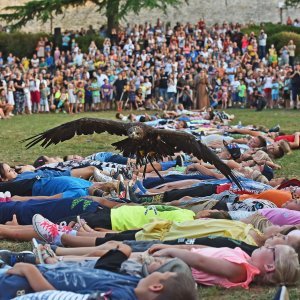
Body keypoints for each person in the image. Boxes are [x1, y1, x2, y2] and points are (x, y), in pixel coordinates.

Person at [149, 243, 300, 288]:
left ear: (269, 266)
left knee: (131, 257)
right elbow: (204, 249)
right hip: (178, 255)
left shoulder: (240, 270)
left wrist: (171, 250)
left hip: (174, 264)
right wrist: (171, 246)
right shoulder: (245, 258)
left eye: (272, 249)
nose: (267, 245)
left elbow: (200, 262)